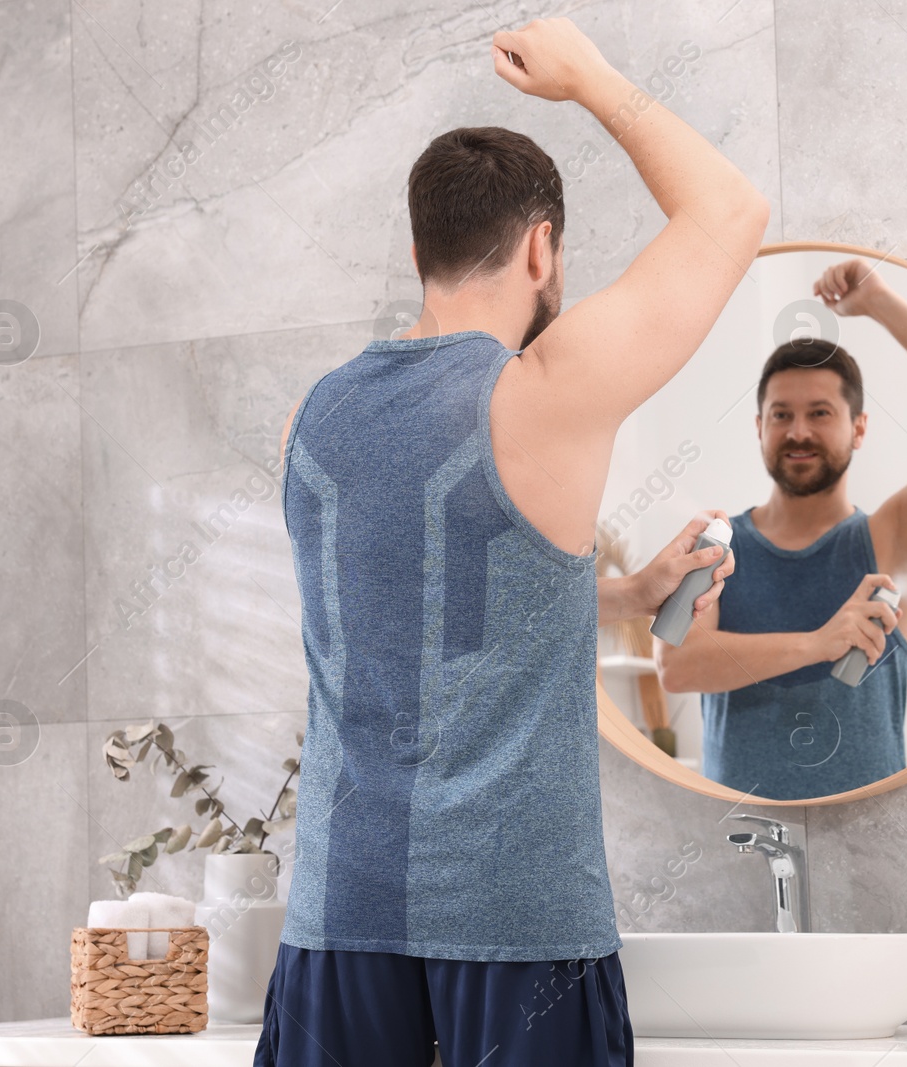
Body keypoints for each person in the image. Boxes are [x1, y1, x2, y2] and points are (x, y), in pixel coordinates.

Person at [252, 17, 768, 1067]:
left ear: (416, 250)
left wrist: (624, 597)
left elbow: (433, 605)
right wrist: (590, 79)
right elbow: (730, 211)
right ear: (541, 247)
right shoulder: (542, 387)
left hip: (337, 911)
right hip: (514, 916)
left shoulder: (316, 417)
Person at [654, 259, 907, 801]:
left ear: (860, 428)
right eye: (780, 415)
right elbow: (678, 667)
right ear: (759, 428)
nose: (798, 431)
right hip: (740, 851)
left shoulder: (901, 538)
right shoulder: (716, 542)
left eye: (821, 413)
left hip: (873, 851)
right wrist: (817, 644)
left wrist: (879, 303)